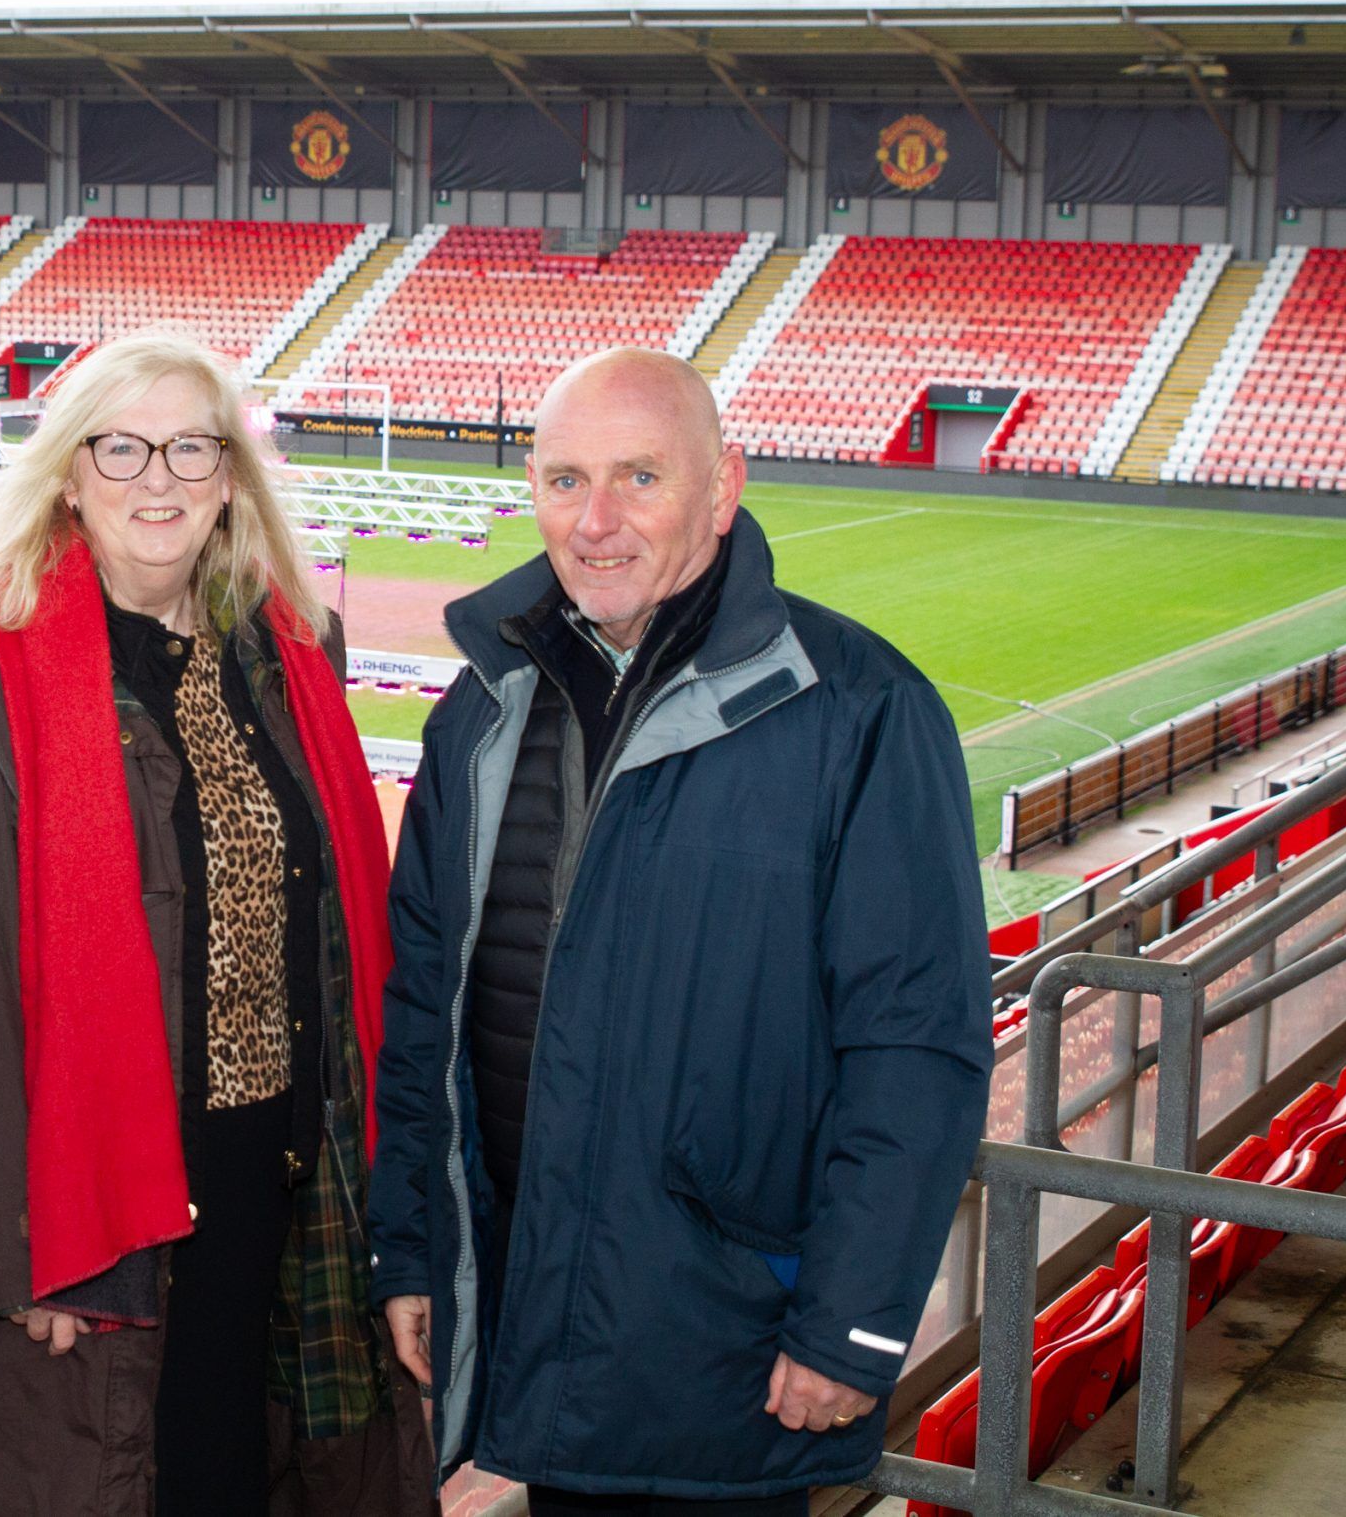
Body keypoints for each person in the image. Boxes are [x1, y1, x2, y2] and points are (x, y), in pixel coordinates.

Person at [369, 347, 991, 1516]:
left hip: (733, 1350)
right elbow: (425, 1010)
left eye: (638, 478)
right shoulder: (485, 707)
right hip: (532, 1323)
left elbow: (916, 1046)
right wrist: (409, 1248)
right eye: (562, 481)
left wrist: (849, 1326)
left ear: (722, 488)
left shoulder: (858, 709)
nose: (594, 522)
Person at [0, 329, 436, 1516]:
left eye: (191, 446)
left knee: (232, 1476)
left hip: (271, 1190)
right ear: (69, 473)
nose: (159, 478)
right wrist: (23, 1244)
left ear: (232, 473)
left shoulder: (288, 659)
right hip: (91, 1209)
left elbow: (334, 940)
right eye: (120, 446)